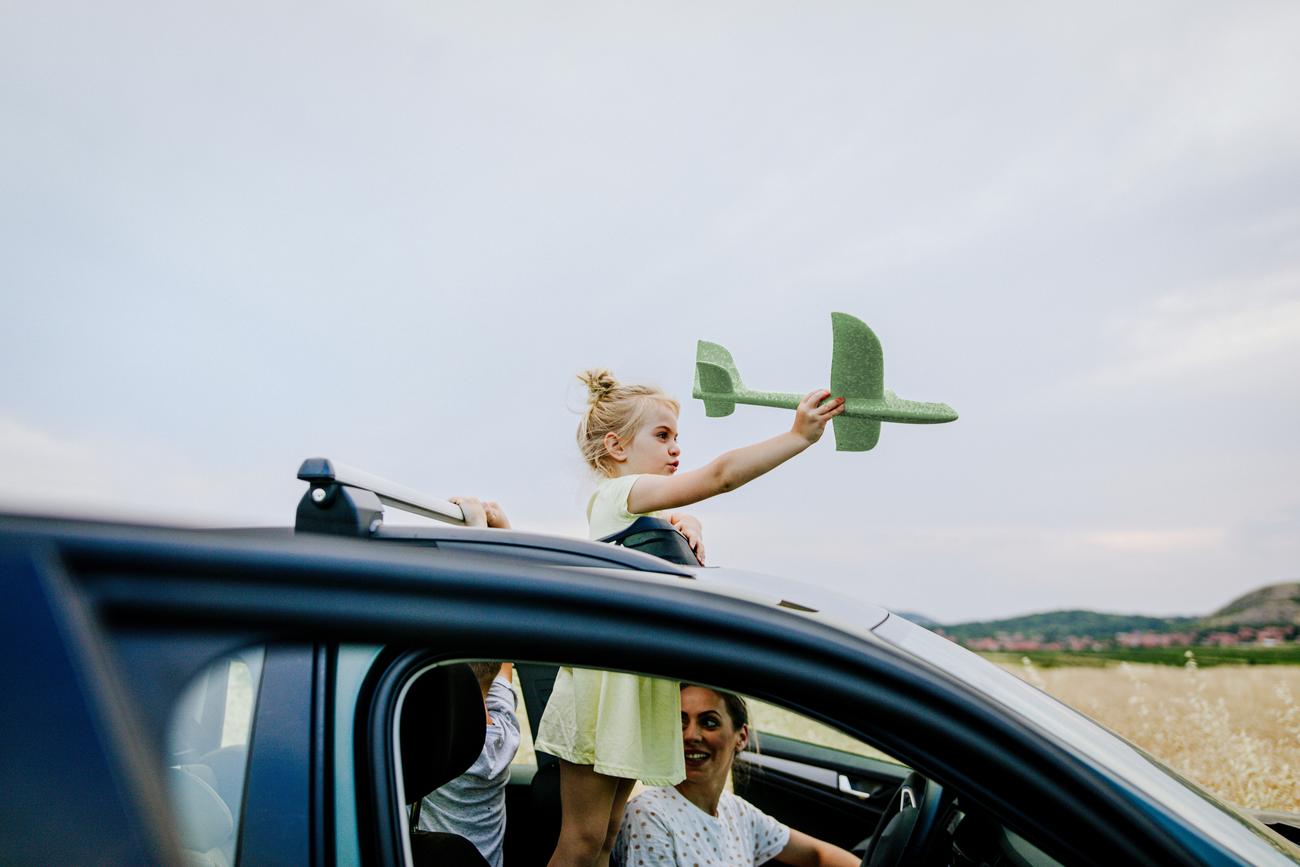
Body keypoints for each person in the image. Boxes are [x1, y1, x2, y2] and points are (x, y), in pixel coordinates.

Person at [535, 369, 845, 867]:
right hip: (607, 691)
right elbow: (718, 476)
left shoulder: (640, 509)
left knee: (609, 835)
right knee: (583, 841)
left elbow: (670, 516)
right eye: (662, 436)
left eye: (678, 437)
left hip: (633, 688)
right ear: (616, 447)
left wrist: (688, 521)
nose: (675, 448)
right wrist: (797, 438)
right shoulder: (616, 494)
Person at [612, 685, 859, 867]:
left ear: (741, 738)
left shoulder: (736, 812)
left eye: (709, 722)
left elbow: (818, 854)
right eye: (681, 722)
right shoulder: (649, 814)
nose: (691, 735)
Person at [417, 496, 517, 867]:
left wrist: (476, 528)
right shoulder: (506, 732)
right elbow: (507, 639)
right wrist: (502, 532)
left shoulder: (434, 746)